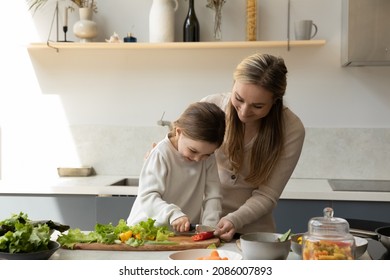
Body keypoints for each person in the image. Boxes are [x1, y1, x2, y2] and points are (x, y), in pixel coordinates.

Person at [201, 53, 305, 241]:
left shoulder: (291, 129)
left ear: (275, 101)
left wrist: (234, 220)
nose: (244, 111)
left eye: (257, 106)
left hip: (254, 236)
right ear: (233, 85)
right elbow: (180, 146)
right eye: (238, 98)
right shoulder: (211, 106)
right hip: (202, 225)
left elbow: (267, 195)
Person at [127, 102, 226, 233]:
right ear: (179, 132)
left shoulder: (208, 158)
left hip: (179, 235)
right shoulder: (161, 154)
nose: (198, 159)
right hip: (145, 232)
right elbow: (148, 196)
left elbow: (213, 195)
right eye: (193, 151)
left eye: (207, 154)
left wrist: (209, 228)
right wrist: (173, 214)